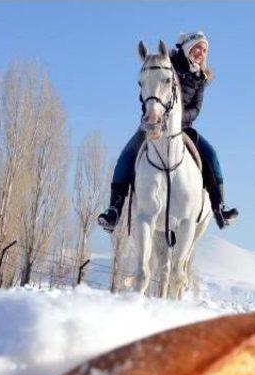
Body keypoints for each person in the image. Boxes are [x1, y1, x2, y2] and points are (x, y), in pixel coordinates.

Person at [98, 31, 238, 232]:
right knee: (127, 155)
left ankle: (219, 207)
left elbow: (196, 109)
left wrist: (175, 119)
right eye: (198, 47)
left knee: (212, 155)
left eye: (205, 50)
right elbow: (148, 90)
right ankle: (114, 209)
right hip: (153, 123)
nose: (201, 52)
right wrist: (151, 114)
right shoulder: (166, 63)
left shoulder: (201, 77)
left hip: (183, 128)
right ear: (188, 47)